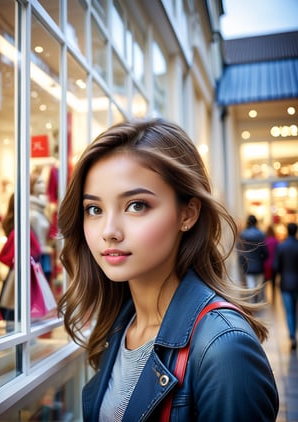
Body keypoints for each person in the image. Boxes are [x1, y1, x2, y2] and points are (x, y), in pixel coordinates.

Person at [58, 119, 278, 421]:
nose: (109, 231)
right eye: (94, 209)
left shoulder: (224, 348)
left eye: (136, 205)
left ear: (187, 214)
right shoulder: (120, 324)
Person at [0, 193, 42, 321]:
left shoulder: (10, 221)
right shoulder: (23, 224)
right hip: (21, 269)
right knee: (18, 308)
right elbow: (36, 248)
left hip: (14, 268)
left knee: (10, 308)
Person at [273, 223, 298, 350]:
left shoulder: (281, 246)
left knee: (289, 311)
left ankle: (292, 336)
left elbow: (276, 266)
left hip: (286, 284)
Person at [238, 214, 268, 302]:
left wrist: (242, 264)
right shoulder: (261, 234)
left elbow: (241, 252)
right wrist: (262, 259)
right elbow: (265, 251)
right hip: (259, 265)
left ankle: (254, 302)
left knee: (251, 287)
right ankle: (258, 301)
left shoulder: (243, 234)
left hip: (248, 266)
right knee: (259, 286)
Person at [30, 171, 52, 282]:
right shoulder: (32, 214)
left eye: (43, 182)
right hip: (37, 257)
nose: (43, 185)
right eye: (39, 183)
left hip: (44, 254)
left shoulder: (42, 210)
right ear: (31, 186)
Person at [264, 225, 279, 302]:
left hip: (266, 264)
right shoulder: (276, 241)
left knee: (265, 281)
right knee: (273, 281)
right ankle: (273, 297)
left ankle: (265, 298)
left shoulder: (265, 241)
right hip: (274, 264)